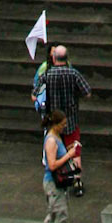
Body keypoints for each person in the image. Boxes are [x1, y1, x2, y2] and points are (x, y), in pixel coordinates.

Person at [43, 44, 90, 181]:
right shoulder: (73, 73)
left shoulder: (47, 74)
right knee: (74, 151)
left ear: (54, 58)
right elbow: (87, 92)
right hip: (71, 119)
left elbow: (35, 95)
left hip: (54, 121)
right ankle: (77, 180)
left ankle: (59, 178)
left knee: (55, 150)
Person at [41, 108, 77, 223]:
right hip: (53, 183)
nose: (64, 127)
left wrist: (67, 150)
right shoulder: (51, 140)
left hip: (58, 183)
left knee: (53, 214)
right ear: (55, 124)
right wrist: (68, 155)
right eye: (62, 124)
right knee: (60, 215)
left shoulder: (57, 137)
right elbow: (52, 165)